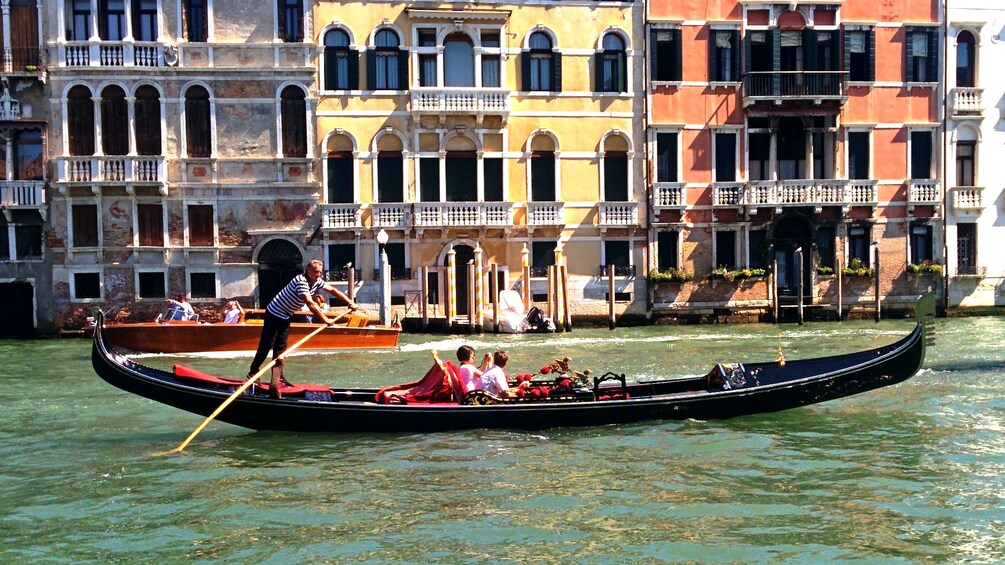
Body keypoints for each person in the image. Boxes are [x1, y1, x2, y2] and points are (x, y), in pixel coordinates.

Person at [249, 259, 358, 398]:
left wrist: (349, 301)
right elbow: (310, 303)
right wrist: (325, 320)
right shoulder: (301, 282)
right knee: (266, 345)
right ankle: (252, 372)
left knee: (280, 350)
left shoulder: (317, 281)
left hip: (286, 316)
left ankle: (275, 382)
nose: (318, 274)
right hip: (273, 314)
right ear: (307, 270)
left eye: (319, 272)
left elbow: (332, 290)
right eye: (315, 272)